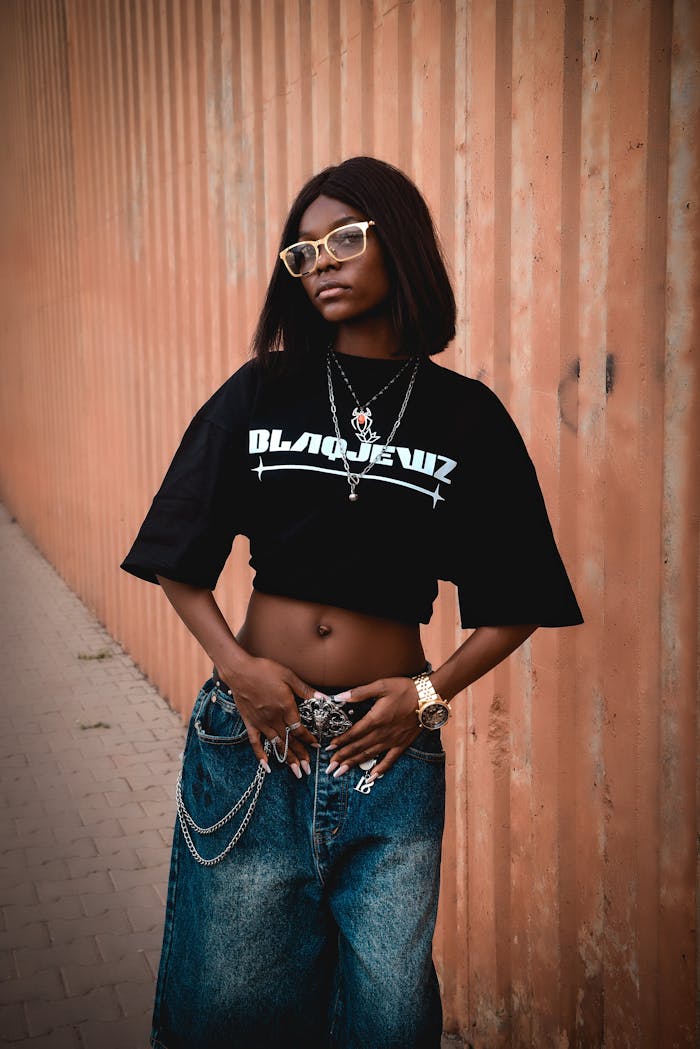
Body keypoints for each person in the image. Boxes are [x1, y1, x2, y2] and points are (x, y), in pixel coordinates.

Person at [121, 156, 582, 1049]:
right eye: (302, 251)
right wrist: (237, 665)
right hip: (257, 739)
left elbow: (517, 595)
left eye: (343, 239)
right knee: (232, 1005)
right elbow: (179, 552)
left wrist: (431, 693)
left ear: (396, 242)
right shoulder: (263, 389)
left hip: (389, 753)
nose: (320, 261)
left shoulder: (466, 417)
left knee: (388, 1014)